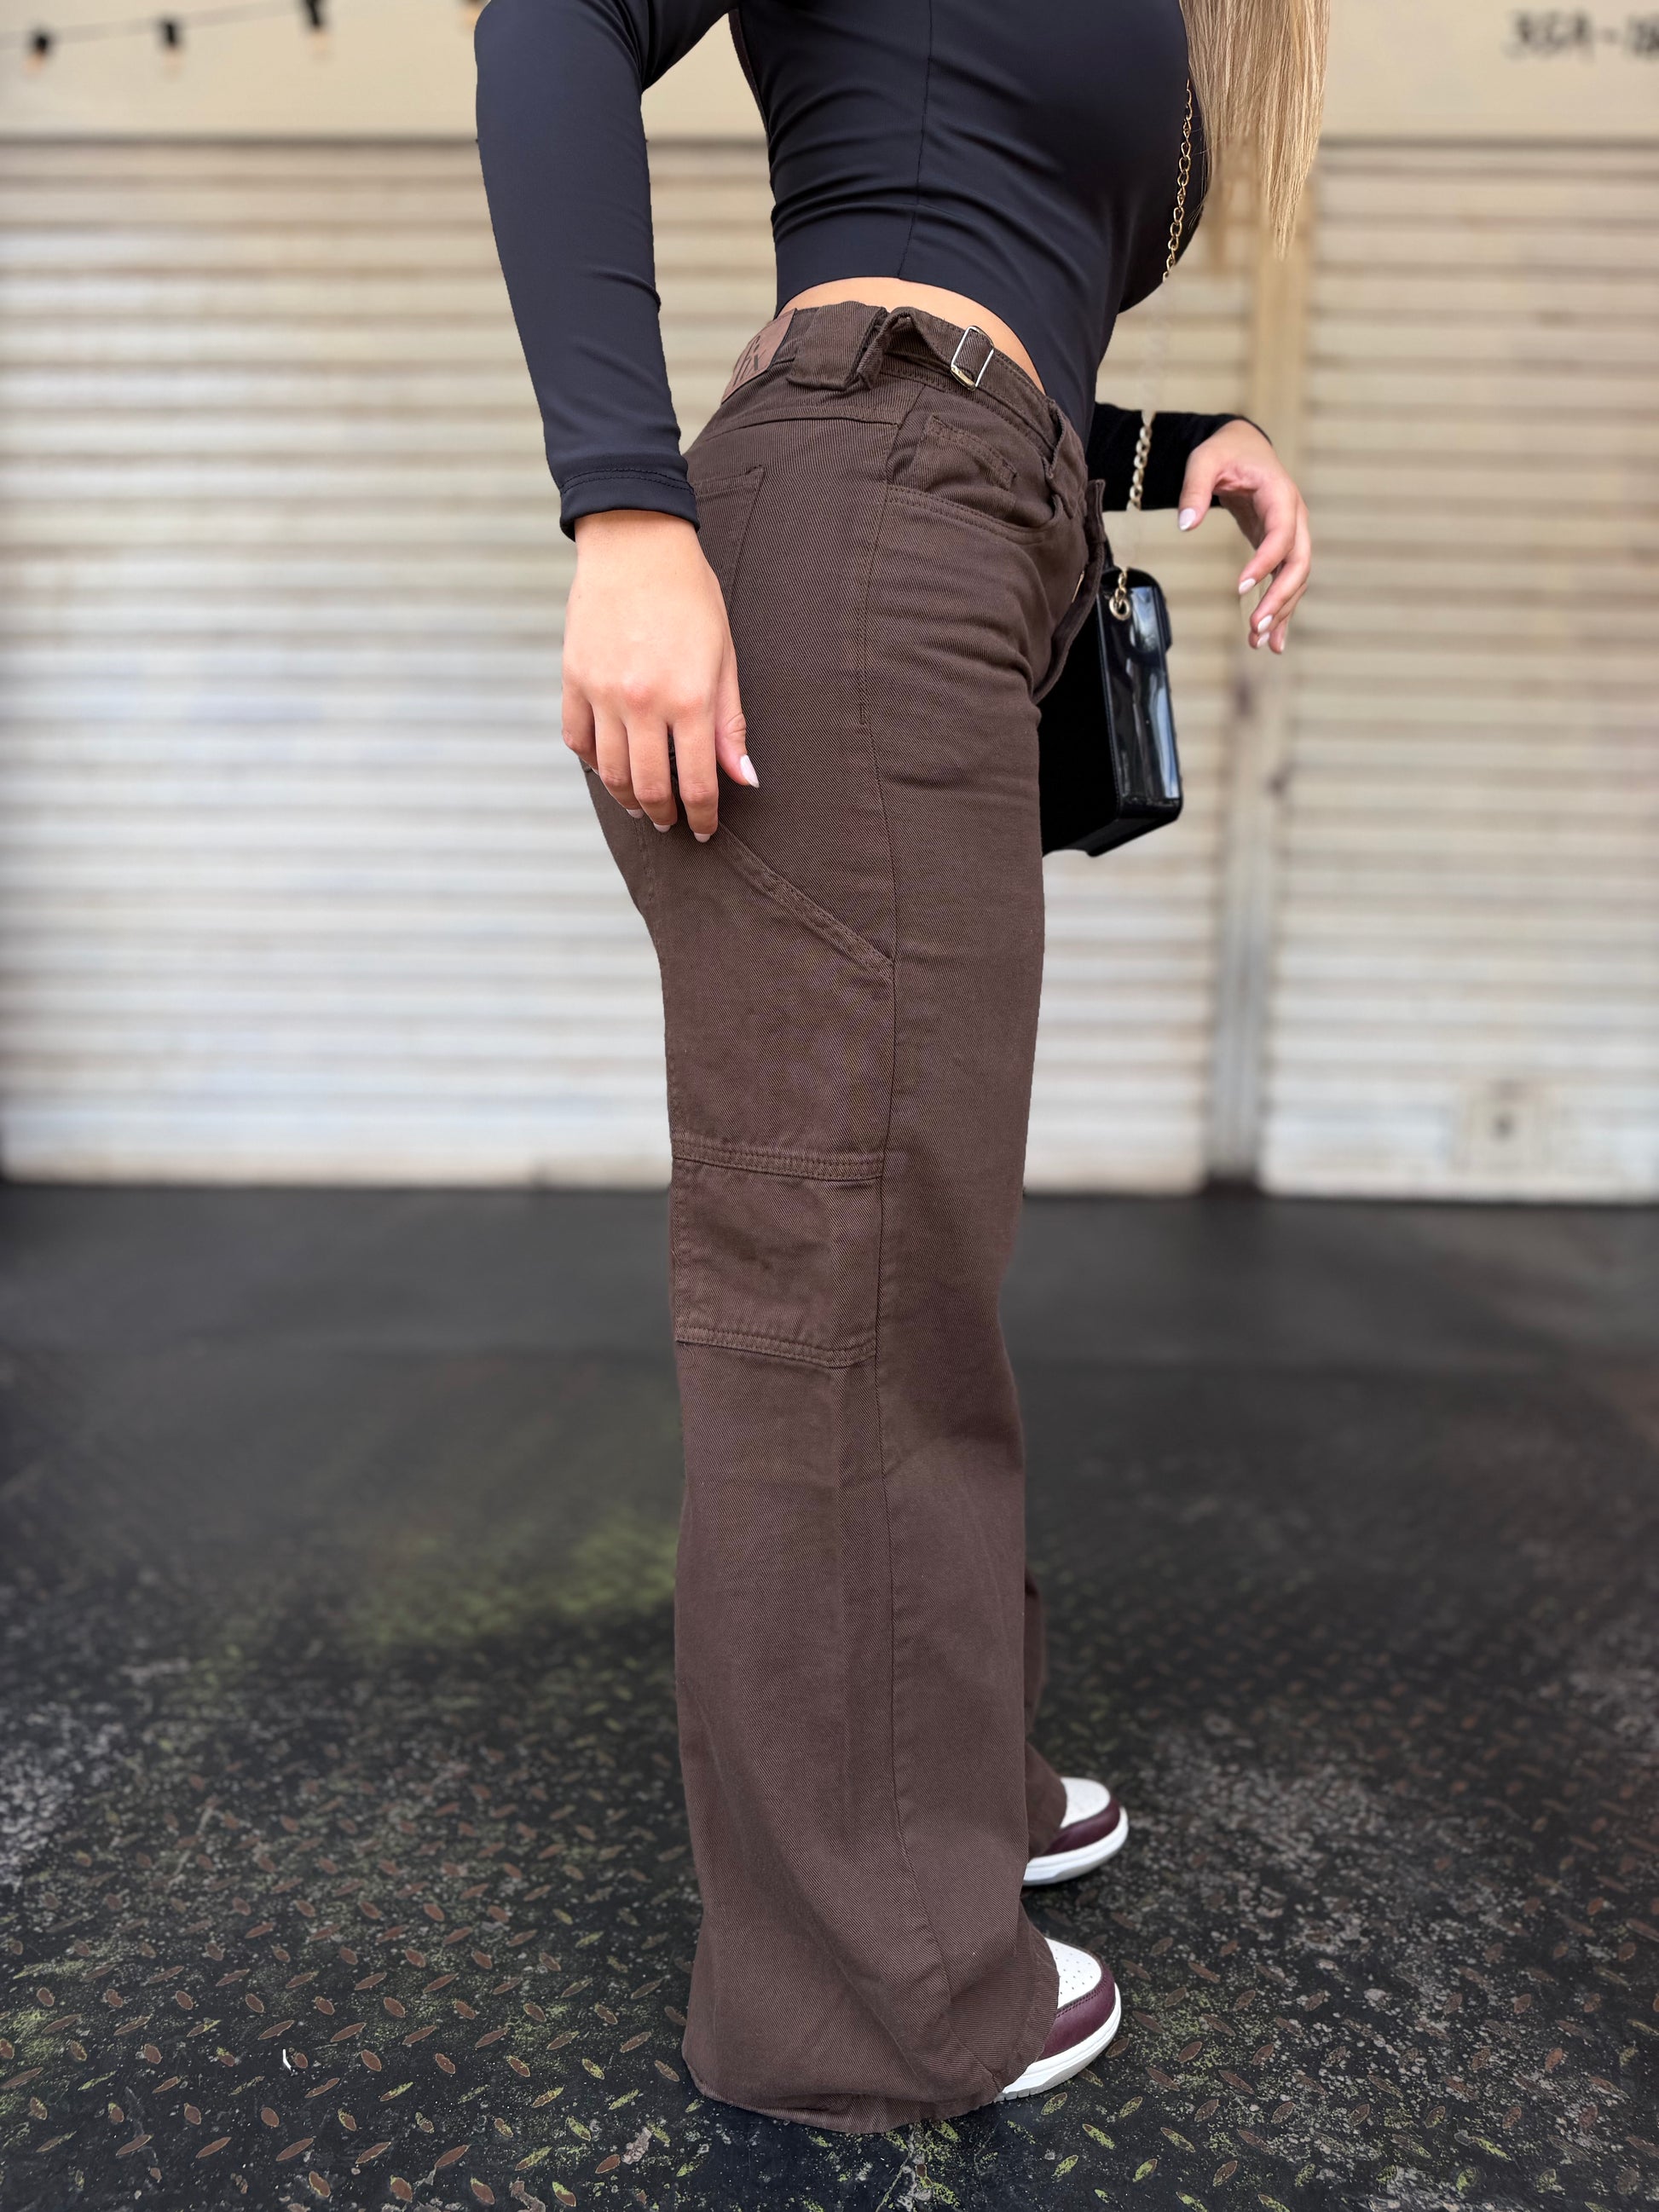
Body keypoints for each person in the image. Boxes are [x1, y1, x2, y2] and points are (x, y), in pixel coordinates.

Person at [474, 0, 1326, 2134]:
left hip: (957, 517)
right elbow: (547, 22)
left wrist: (1161, 444)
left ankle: (941, 1794)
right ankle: (860, 1997)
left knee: (909, 1251)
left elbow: (966, 237)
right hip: (865, 524)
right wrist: (621, 509)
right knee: (835, 1279)